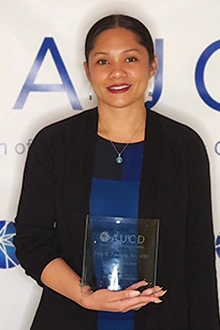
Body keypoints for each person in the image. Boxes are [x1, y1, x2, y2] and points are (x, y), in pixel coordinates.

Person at [14, 14, 220, 330]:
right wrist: (84, 295)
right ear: (87, 70)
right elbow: (31, 242)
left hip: (164, 320)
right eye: (102, 62)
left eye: (131, 58)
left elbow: (199, 261)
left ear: (153, 65)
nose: (117, 72)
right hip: (71, 317)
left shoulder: (184, 147)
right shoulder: (54, 144)